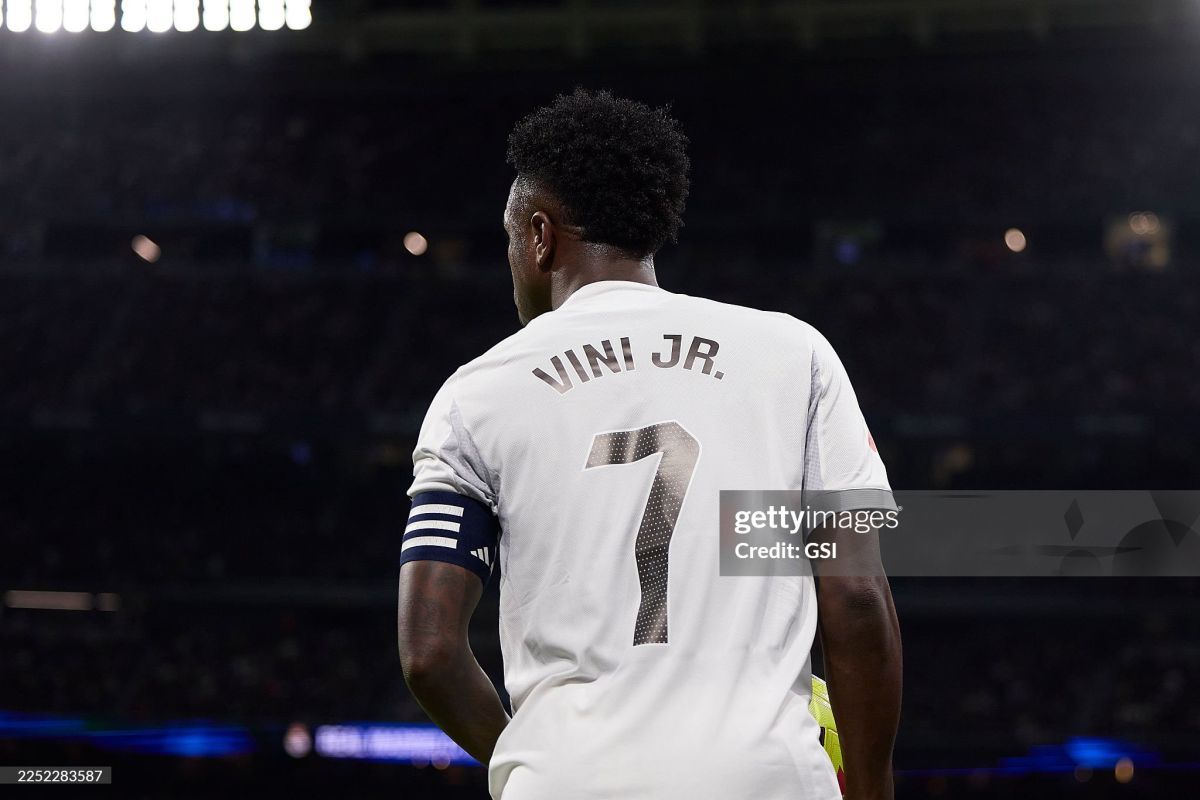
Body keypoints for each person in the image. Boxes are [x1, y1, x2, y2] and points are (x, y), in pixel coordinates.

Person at [397, 88, 902, 800]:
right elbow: (856, 596)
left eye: (509, 238)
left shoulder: (474, 394)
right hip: (763, 777)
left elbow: (428, 652)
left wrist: (530, 760)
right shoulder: (794, 355)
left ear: (539, 236)